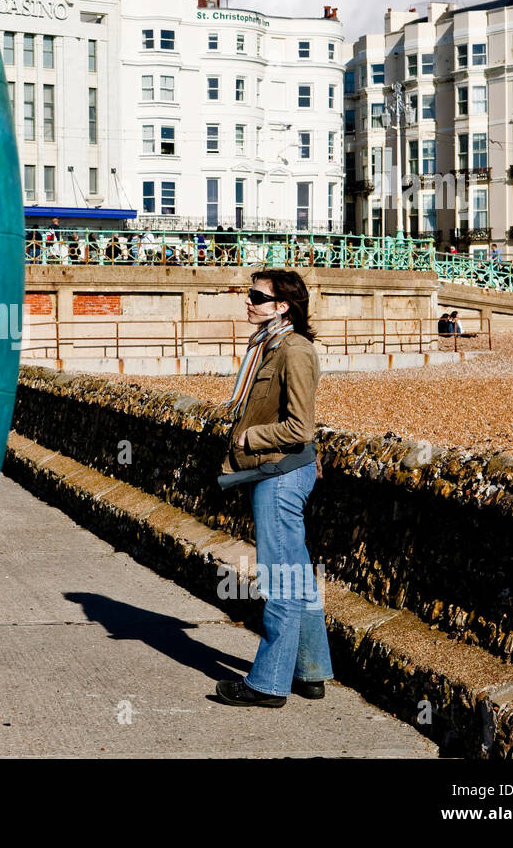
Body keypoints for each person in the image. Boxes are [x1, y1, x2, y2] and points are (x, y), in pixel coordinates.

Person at [214, 269, 329, 708]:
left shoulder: (294, 349)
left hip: (280, 475)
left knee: (280, 581)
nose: (248, 301)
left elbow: (300, 426)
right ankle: (311, 671)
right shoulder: (267, 345)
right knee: (298, 579)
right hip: (278, 473)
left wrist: (250, 438)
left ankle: (267, 684)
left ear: (283, 306)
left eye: (257, 296)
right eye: (249, 293)